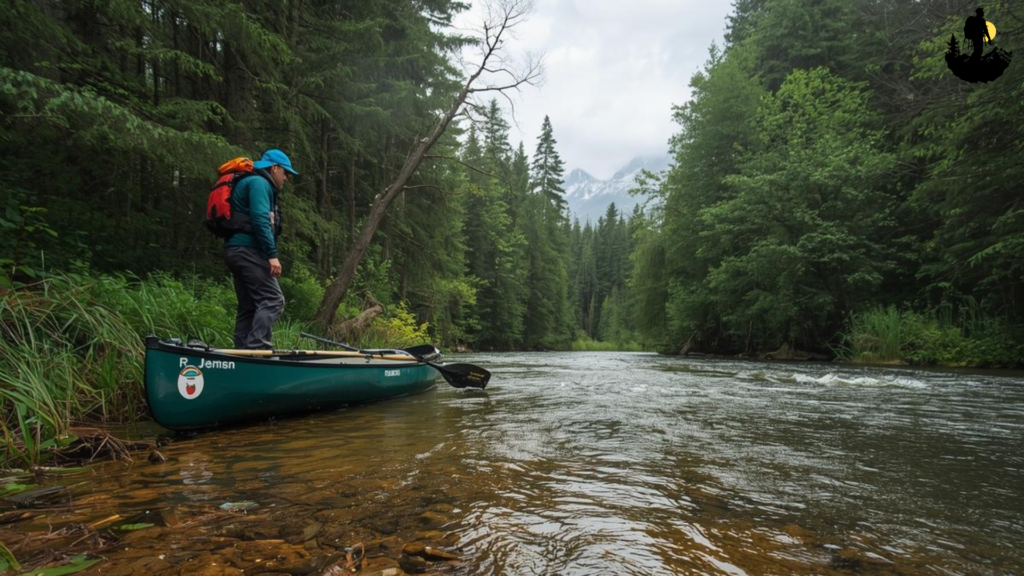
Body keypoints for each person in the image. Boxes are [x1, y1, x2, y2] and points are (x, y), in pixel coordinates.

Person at [223, 149, 298, 349]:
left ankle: (242, 353)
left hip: (235, 250)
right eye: (285, 173)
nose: (286, 178)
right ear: (275, 168)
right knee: (273, 300)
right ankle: (257, 348)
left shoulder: (250, 181)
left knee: (248, 305)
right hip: (248, 250)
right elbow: (259, 219)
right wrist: (272, 255)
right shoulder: (259, 183)